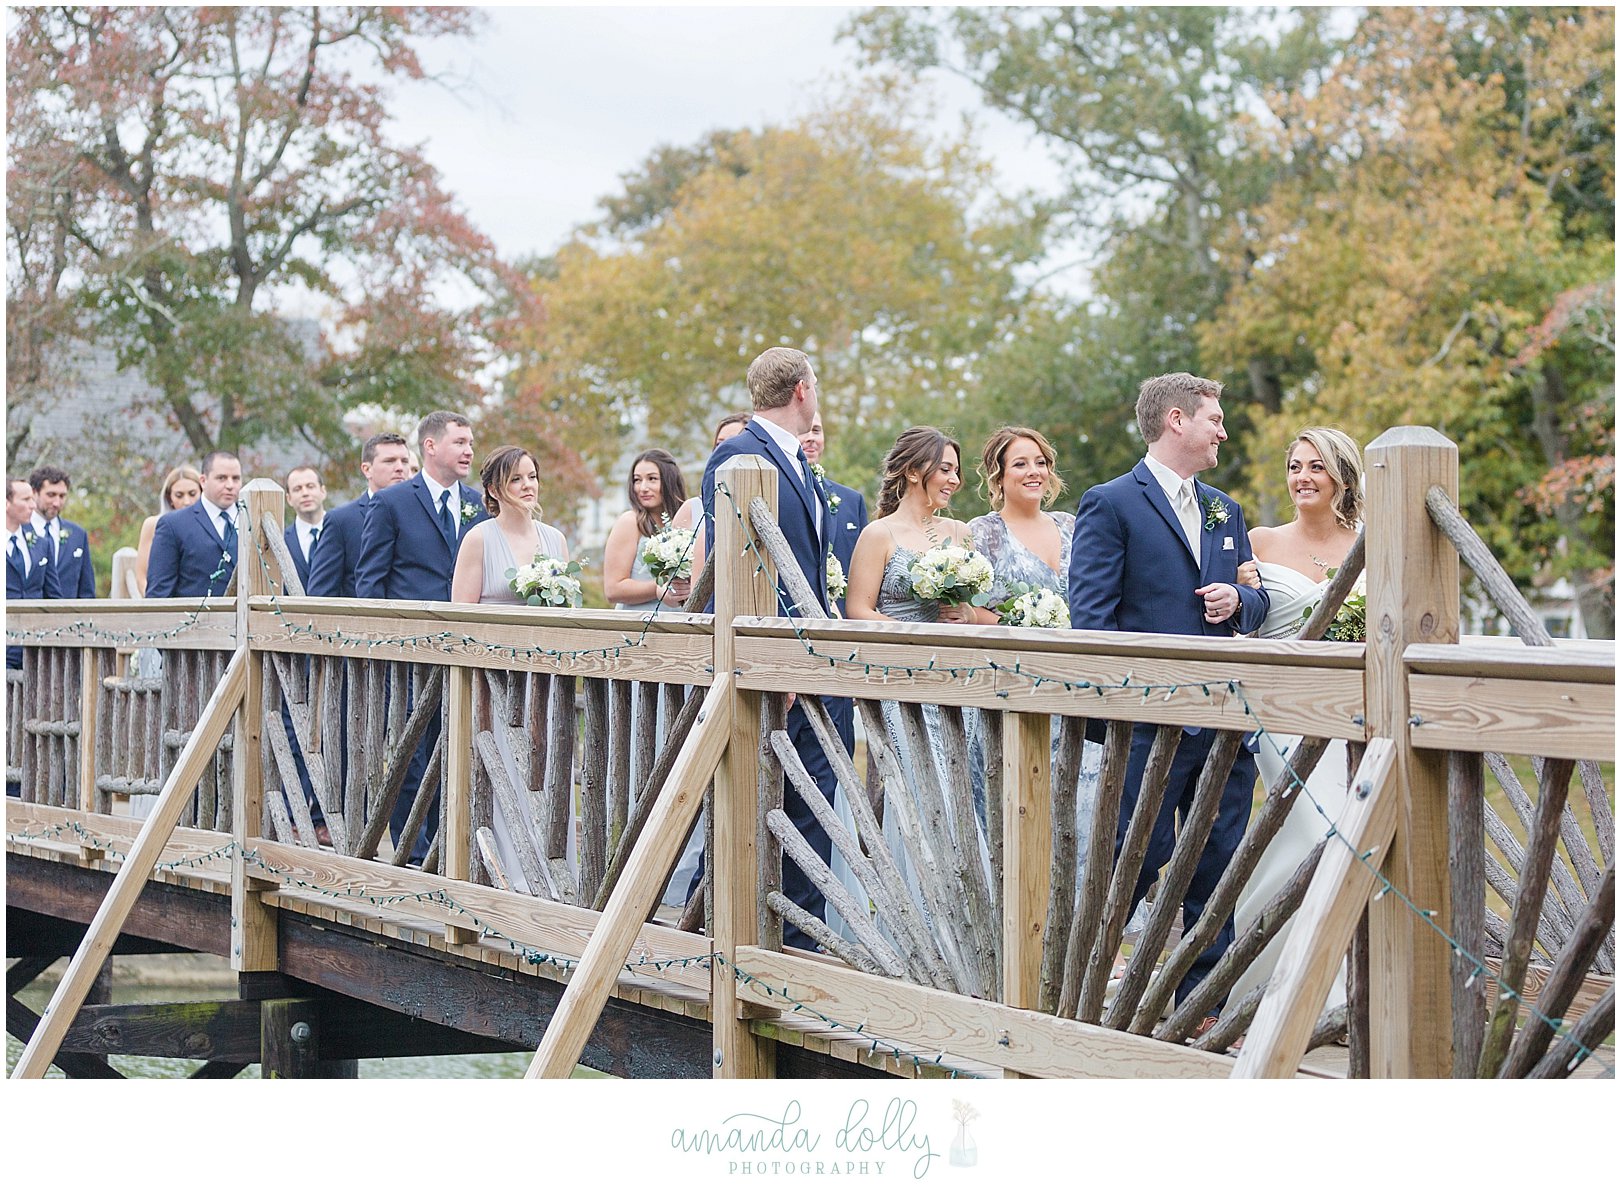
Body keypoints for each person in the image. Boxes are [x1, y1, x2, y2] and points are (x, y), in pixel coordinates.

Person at [1067, 372, 1269, 1019]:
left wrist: (1240, 598)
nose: (1223, 431)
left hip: (1223, 722)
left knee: (1216, 864)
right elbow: (1090, 621)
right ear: (1176, 420)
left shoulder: (1226, 511)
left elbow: (1256, 601)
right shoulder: (1109, 503)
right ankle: (1086, 989)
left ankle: (1201, 1009)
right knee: (1137, 856)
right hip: (1150, 727)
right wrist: (1126, 709)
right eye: (1214, 418)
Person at [699, 346, 853, 950]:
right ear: (802, 392)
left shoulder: (795, 460)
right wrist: (772, 657)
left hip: (813, 663)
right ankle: (765, 939)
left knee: (815, 806)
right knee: (765, 804)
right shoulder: (737, 457)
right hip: (775, 667)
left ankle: (802, 941)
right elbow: (742, 564)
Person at [1225, 427, 1364, 1011]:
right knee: (1317, 827)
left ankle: (1350, 982)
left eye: (1316, 467)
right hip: (1281, 713)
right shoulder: (1259, 543)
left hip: (1354, 714)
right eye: (1295, 466)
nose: (1302, 477)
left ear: (1341, 478)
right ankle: (1297, 991)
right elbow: (1238, 624)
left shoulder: (1369, 543)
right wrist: (1242, 596)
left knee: (1353, 834)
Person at [844, 427, 982, 955]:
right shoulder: (879, 535)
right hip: (900, 688)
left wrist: (959, 612)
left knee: (956, 801)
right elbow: (858, 609)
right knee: (910, 801)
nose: (955, 479)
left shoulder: (960, 535)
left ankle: (960, 932)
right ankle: (910, 932)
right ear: (912, 472)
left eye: (955, 469)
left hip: (951, 686)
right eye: (945, 468)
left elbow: (970, 613)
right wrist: (906, 641)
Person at [355, 410, 489, 863]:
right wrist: (380, 647)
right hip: (409, 652)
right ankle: (412, 850)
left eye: (471, 442)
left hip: (465, 649)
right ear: (430, 447)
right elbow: (370, 582)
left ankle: (448, 848)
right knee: (412, 751)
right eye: (460, 442)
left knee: (456, 747)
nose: (469, 450)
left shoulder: (478, 503)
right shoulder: (392, 503)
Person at [967, 427, 1105, 852]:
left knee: (1083, 819)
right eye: (1021, 464)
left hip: (1075, 688)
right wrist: (1021, 627)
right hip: (1013, 688)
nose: (1034, 472)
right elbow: (971, 611)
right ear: (999, 476)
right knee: (1017, 823)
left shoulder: (1072, 526)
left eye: (1041, 462)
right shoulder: (983, 532)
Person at [450, 445, 574, 892]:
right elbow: (459, 615)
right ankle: (506, 874)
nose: (527, 487)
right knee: (503, 768)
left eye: (532, 477)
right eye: (516, 479)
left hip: (541, 679)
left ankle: (552, 871)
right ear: (493, 490)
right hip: (493, 679)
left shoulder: (555, 539)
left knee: (544, 769)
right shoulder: (479, 539)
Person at [306, 433, 411, 599]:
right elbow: (320, 594)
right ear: (366, 469)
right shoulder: (341, 521)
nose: (400, 468)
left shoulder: (420, 514)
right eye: (389, 461)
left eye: (404, 461)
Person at [603, 449, 697, 614]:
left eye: (652, 479)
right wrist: (661, 587)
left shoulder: (688, 519)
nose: (643, 487)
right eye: (637, 480)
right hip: (638, 626)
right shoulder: (630, 522)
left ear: (669, 481)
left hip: (680, 624)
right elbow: (613, 589)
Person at [145, 451, 243, 599]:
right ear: (203, 481)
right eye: (221, 478)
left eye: (235, 478)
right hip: (194, 620)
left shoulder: (252, 520)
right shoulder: (173, 525)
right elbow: (159, 593)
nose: (230, 485)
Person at [799, 413, 868, 617]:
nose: (811, 437)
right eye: (804, 431)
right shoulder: (778, 493)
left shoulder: (852, 500)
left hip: (847, 623)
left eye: (817, 430)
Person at [8, 477, 60, 669]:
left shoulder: (41, 544)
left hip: (34, 651)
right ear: (6, 503)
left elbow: (54, 596)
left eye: (33, 499)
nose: (32, 505)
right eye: (25, 499)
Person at [133, 466, 202, 597]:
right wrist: (157, 605)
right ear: (169, 497)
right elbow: (142, 577)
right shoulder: (153, 524)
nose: (186, 501)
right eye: (179, 495)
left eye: (192, 494)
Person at [29, 465, 96, 599]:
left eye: (62, 496)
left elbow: (86, 589)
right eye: (51, 495)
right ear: (34, 493)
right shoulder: (18, 532)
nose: (57, 503)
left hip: (69, 617)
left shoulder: (78, 535)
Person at [282, 464, 327, 590]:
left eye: (310, 486)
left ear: (323, 491)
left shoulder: (343, 531)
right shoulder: (281, 541)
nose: (305, 493)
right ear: (289, 498)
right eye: (297, 489)